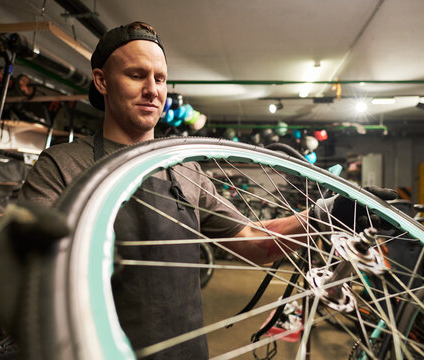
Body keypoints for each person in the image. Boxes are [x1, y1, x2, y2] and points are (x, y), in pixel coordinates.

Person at [18, 21, 313, 359]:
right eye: (136, 75)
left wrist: (326, 214)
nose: (152, 90)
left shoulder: (186, 169)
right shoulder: (61, 166)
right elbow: (28, 278)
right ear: (101, 81)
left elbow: (255, 242)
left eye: (159, 78)